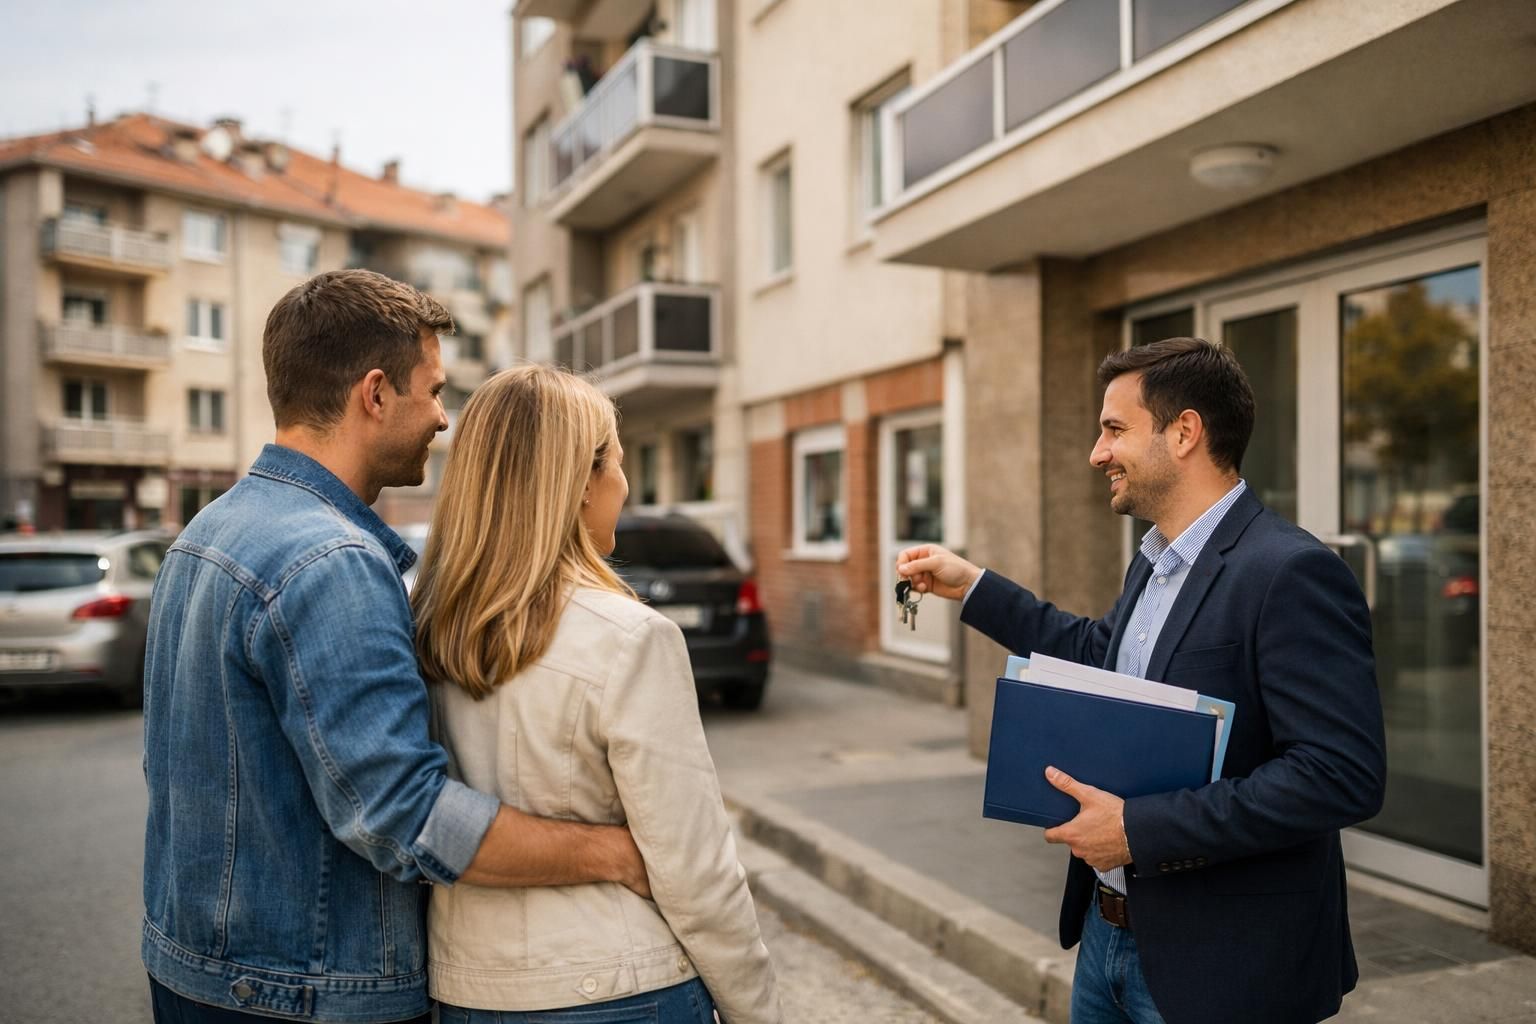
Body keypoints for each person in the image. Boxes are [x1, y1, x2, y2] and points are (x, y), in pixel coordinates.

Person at [142, 271, 650, 1024]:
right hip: (305, 997)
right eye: (434, 390)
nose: (444, 419)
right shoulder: (330, 561)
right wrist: (611, 853)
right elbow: (399, 815)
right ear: (375, 394)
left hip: (195, 971)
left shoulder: (205, 534)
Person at [897, 338, 1386, 1024]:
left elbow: (1341, 774)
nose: (1098, 453)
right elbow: (1104, 657)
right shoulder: (1154, 561)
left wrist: (1139, 828)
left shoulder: (1289, 571)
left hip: (1223, 967)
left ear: (1184, 432)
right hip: (1108, 937)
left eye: (1115, 429)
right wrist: (973, 586)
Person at [413, 365, 782, 1024]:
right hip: (619, 988)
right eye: (614, 460)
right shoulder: (631, 638)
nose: (624, 481)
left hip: (468, 991)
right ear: (579, 485)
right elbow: (694, 867)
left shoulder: (419, 626)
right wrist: (758, 1012)